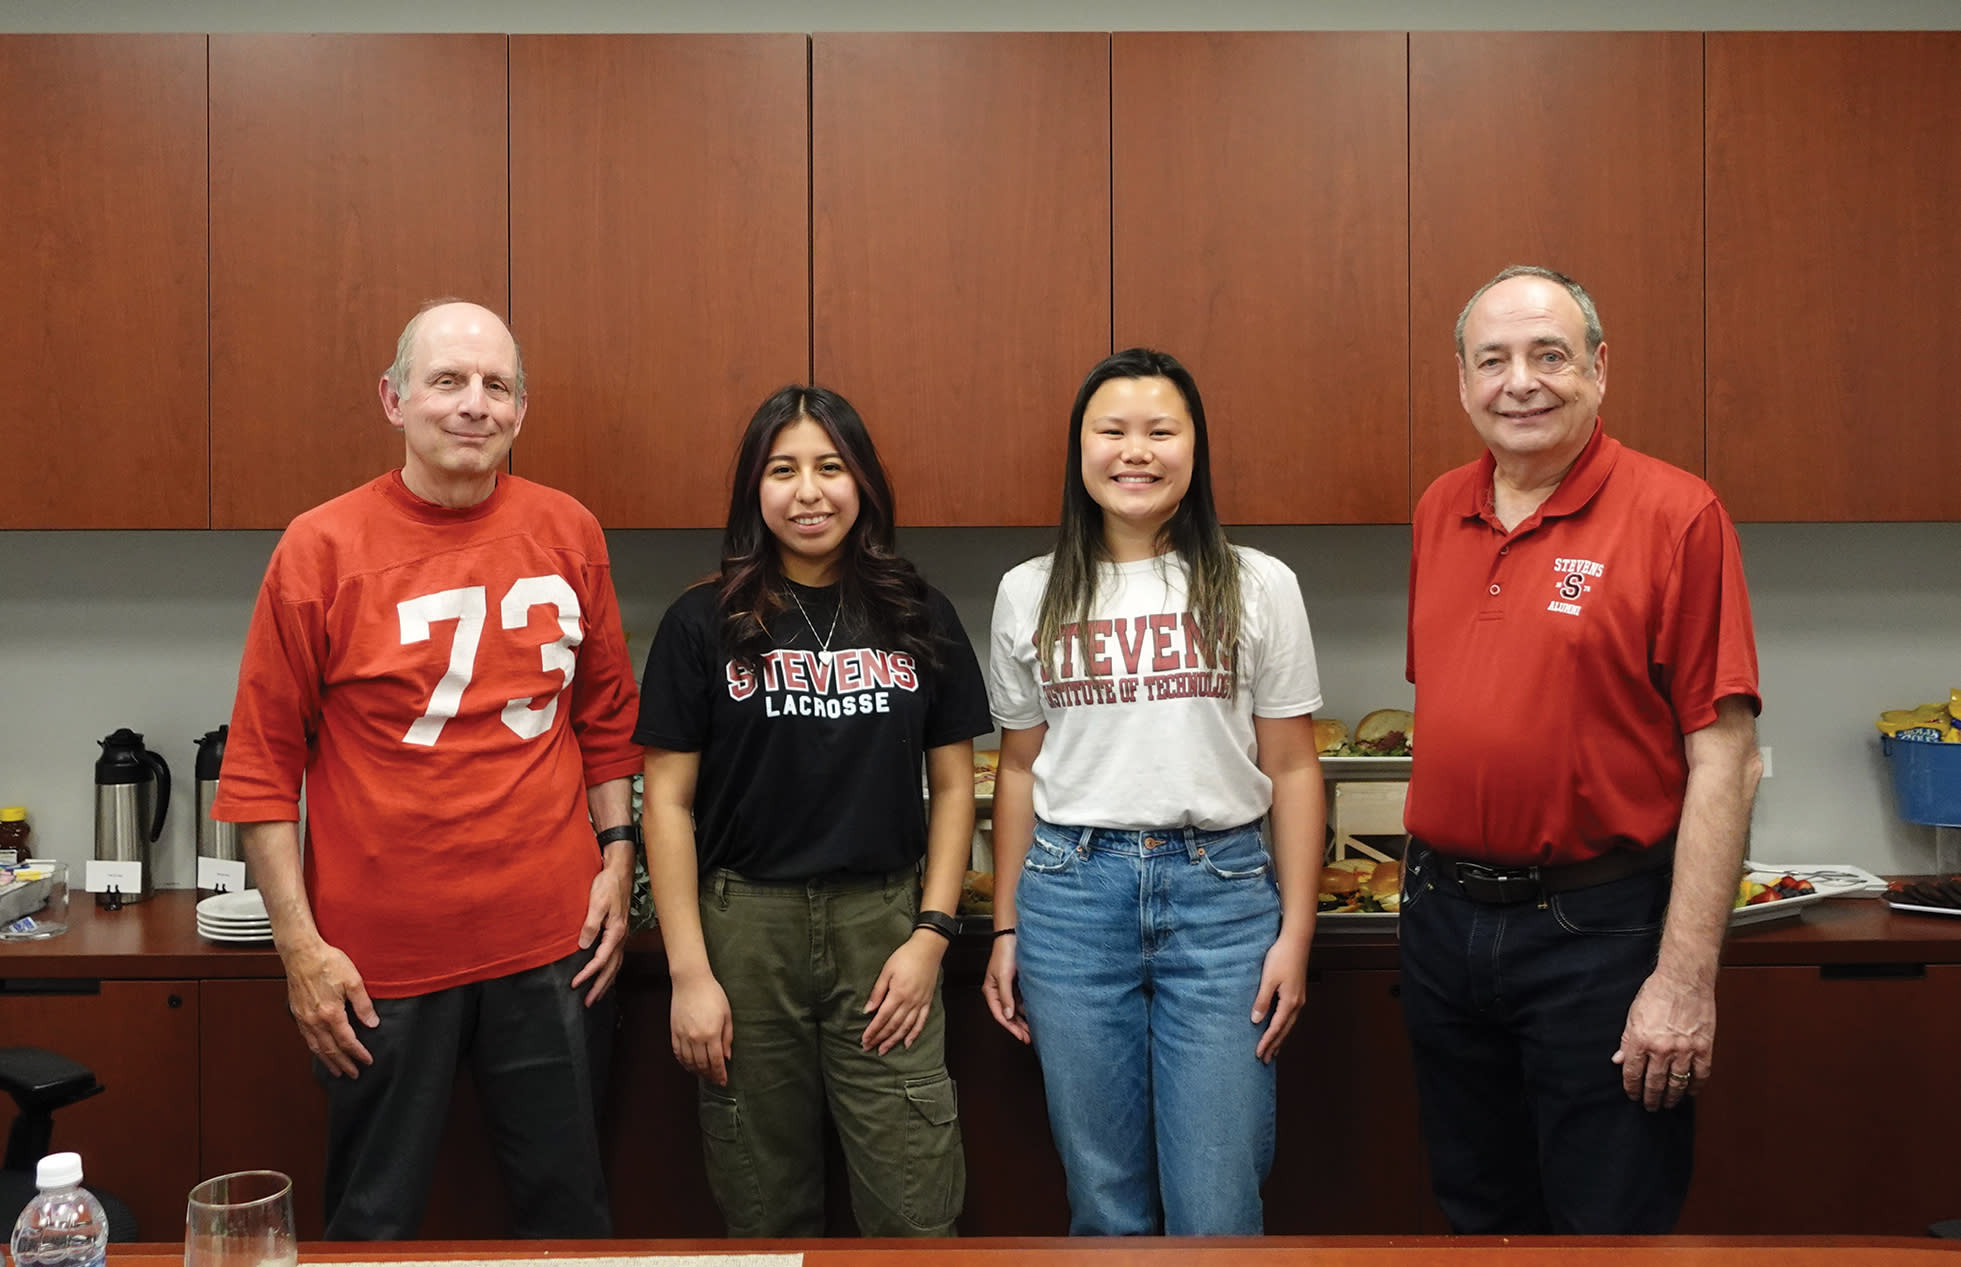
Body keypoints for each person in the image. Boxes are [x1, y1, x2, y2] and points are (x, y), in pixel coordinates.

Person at [213, 299, 642, 1239]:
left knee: (570, 1217)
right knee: (372, 1224)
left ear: (521, 410)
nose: (473, 404)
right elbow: (260, 767)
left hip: (554, 945)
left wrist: (618, 856)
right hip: (379, 964)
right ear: (393, 399)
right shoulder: (320, 548)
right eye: (447, 380)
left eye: (496, 385)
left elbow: (606, 718)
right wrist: (298, 949)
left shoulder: (570, 531)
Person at [1400, 265, 1763, 1235]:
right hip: (1441, 926)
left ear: (1598, 368)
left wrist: (1682, 980)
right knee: (1476, 1218)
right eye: (1493, 360)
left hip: (1596, 935)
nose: (1519, 382)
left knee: (1609, 1228)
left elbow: (1724, 758)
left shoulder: (1676, 514)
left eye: (1548, 355)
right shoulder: (1439, 508)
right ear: (1462, 381)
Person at [981, 347, 1326, 1236]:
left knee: (1218, 1203)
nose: (1135, 451)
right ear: (1080, 450)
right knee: (1104, 1203)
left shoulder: (1257, 583)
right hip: (1068, 896)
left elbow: (1293, 766)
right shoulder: (1028, 590)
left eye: (1161, 431)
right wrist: (1006, 925)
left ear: (1194, 449)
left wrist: (1295, 933)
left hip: (1222, 900)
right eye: (1112, 430)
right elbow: (1017, 767)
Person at [636, 385, 990, 1238]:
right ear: (752, 489)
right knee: (763, 1206)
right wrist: (690, 973)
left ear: (861, 479)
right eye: (781, 470)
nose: (808, 492)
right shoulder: (700, 622)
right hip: (744, 930)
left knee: (915, 1207)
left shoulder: (917, 612)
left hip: (883, 925)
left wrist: (930, 934)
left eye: (830, 467)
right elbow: (667, 803)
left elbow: (954, 788)